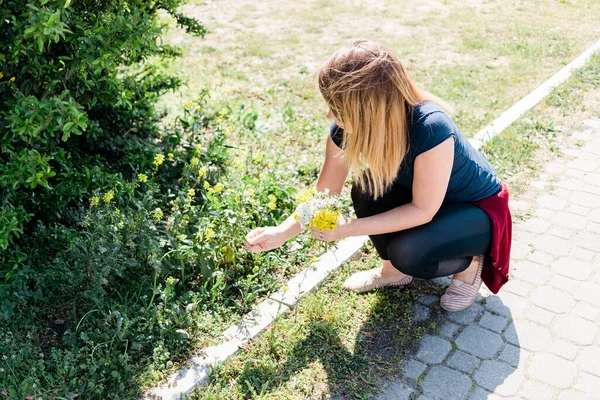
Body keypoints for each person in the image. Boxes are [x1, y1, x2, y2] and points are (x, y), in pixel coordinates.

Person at [244, 39, 512, 312]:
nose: (329, 115)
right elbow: (323, 194)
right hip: (425, 199)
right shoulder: (345, 129)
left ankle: (469, 264)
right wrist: (282, 233)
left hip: (475, 211)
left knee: (409, 252)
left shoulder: (431, 126)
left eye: (337, 108)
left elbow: (422, 210)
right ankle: (393, 271)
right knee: (365, 189)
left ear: (369, 108)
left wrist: (347, 229)